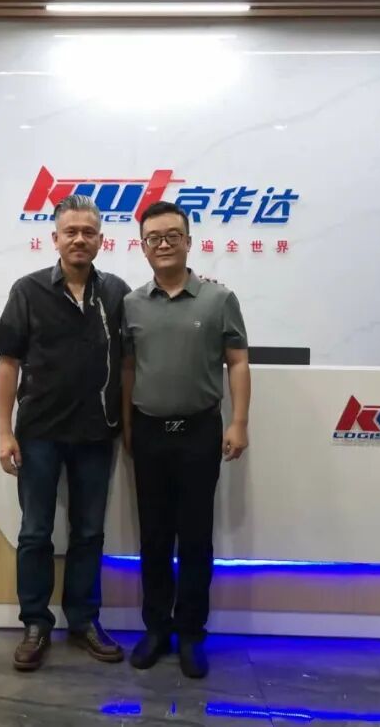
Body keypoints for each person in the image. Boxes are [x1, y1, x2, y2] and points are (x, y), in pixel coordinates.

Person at [0, 194, 130, 672]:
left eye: (88, 232)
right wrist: (4, 432)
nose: (79, 239)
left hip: (96, 434)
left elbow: (128, 364)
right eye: (71, 231)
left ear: (101, 240)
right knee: (35, 532)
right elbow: (8, 364)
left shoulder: (116, 293)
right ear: (55, 238)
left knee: (89, 533)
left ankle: (84, 620)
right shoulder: (28, 291)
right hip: (39, 434)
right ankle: (35, 623)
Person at [121, 200, 251, 679]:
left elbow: (238, 361)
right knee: (154, 537)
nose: (163, 244)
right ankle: (156, 629)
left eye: (172, 235)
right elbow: (128, 369)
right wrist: (128, 426)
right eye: (153, 238)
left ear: (188, 241)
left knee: (195, 537)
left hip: (200, 432)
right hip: (149, 433)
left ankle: (192, 632)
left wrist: (239, 423)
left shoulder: (219, 299)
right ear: (143, 247)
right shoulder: (131, 304)